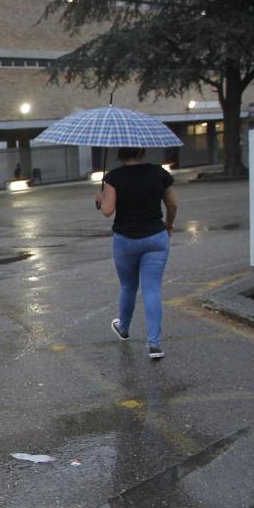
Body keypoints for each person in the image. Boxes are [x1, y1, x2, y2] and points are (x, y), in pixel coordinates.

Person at [97, 147, 178, 359]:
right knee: (152, 290)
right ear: (142, 150)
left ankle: (123, 328)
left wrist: (100, 198)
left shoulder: (114, 176)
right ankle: (154, 345)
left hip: (126, 240)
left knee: (128, 286)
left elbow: (107, 211)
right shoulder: (159, 172)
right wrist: (168, 225)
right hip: (155, 237)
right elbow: (172, 204)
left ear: (120, 153)